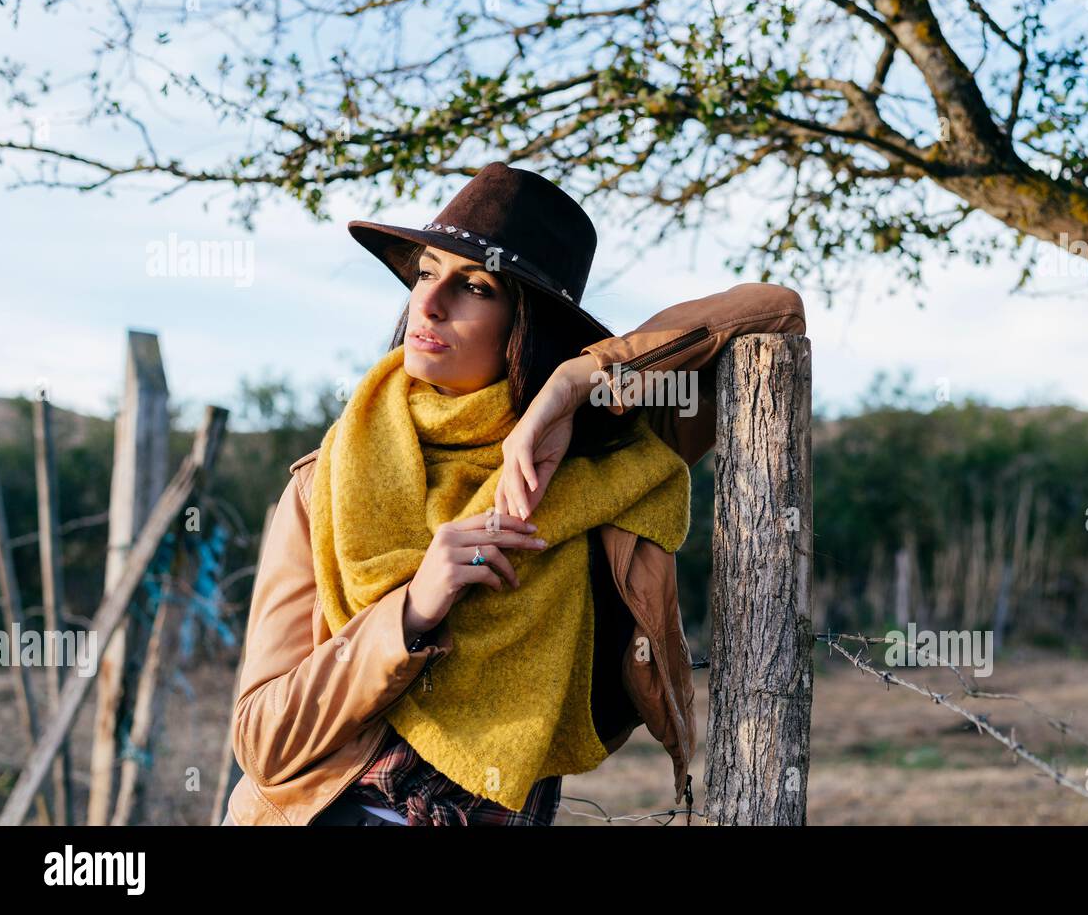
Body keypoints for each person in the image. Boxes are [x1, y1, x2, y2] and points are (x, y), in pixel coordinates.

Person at [223, 161, 807, 826]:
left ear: (530, 322)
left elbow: (777, 311)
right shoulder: (321, 484)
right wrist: (411, 611)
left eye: (473, 286)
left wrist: (570, 386)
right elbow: (262, 739)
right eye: (425, 272)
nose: (429, 302)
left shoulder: (608, 447)